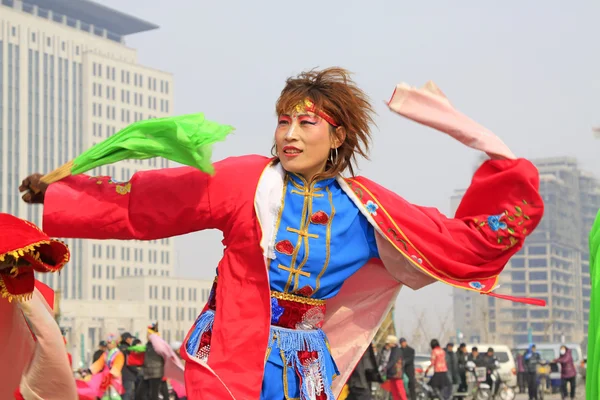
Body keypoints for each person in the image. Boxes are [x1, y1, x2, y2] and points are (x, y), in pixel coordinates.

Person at [19, 67, 544, 399]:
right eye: (282, 121)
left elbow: (463, 240)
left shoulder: (368, 208)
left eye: (306, 123)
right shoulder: (246, 179)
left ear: (337, 135)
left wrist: (502, 161)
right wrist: (63, 192)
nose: (289, 134)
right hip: (229, 344)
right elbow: (152, 204)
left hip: (306, 361)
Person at [91, 334, 125, 399]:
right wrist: (90, 370)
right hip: (105, 377)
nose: (109, 344)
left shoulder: (118, 354)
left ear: (115, 343)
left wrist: (112, 373)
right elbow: (99, 363)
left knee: (114, 395)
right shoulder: (105, 354)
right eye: (108, 343)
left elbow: (117, 365)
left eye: (111, 343)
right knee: (105, 396)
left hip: (113, 378)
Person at [378, 335, 407, 400]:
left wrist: (385, 368)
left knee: (400, 391)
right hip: (392, 374)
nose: (387, 345)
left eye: (388, 343)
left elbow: (393, 361)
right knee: (394, 392)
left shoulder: (396, 351)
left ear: (392, 343)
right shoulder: (391, 350)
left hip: (397, 374)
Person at [119, 332, 139, 400]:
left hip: (119, 376)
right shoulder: (128, 349)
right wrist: (137, 371)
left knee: (120, 396)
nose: (131, 341)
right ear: (127, 339)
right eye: (130, 339)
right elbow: (130, 363)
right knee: (127, 395)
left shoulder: (117, 349)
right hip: (128, 376)